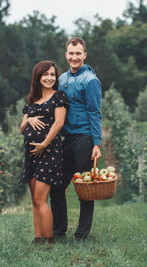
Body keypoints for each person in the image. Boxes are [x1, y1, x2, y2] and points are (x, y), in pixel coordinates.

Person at [50, 37, 102, 241]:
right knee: (57, 185)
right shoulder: (61, 79)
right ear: (66, 55)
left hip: (84, 138)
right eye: (71, 53)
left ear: (85, 55)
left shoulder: (90, 80)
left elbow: (95, 112)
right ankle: (59, 230)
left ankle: (82, 234)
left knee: (84, 189)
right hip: (67, 139)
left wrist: (96, 144)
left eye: (78, 53)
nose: (74, 57)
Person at [19, 60, 68, 245]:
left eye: (52, 75)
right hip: (31, 154)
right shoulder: (31, 100)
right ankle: (37, 238)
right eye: (45, 74)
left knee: (41, 198)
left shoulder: (59, 97)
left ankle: (49, 241)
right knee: (34, 200)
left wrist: (44, 144)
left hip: (49, 152)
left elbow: (59, 123)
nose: (49, 78)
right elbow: (21, 128)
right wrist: (29, 120)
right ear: (38, 77)